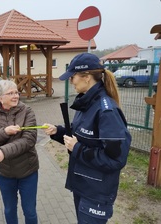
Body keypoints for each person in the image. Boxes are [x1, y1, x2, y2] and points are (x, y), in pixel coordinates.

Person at [43, 53, 131, 224]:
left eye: (73, 76)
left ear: (87, 77)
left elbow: (116, 159)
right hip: (82, 186)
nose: (71, 81)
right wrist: (58, 132)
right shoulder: (86, 103)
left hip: (97, 192)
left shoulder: (107, 111)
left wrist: (78, 149)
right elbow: (80, 138)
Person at [0, 80, 39, 224]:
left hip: (28, 171)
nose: (16, 96)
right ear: (0, 98)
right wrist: (4, 132)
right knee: (9, 209)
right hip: (5, 173)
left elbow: (29, 140)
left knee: (30, 211)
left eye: (16, 92)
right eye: (10, 93)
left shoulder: (27, 111)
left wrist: (3, 152)